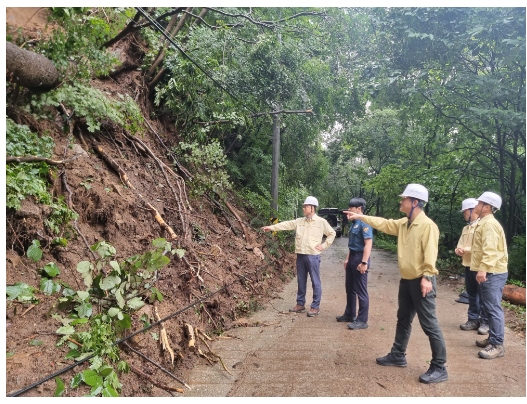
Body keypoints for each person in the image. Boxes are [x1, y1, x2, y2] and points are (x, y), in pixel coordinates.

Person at [344, 184, 447, 384]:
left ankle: (439, 366)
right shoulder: (404, 223)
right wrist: (360, 217)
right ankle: (398, 355)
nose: (401, 201)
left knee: (429, 324)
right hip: (407, 280)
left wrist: (427, 277)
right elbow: (384, 223)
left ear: (415, 202)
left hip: (421, 280)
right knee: (403, 319)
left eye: (404, 199)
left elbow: (431, 253)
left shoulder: (427, 226)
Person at [261, 196, 336, 317]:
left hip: (313, 256)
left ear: (312, 208)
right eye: (304, 206)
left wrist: (324, 245)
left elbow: (332, 233)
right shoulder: (300, 221)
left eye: (306, 206)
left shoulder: (321, 222)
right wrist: (271, 227)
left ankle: (315, 307)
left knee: (315, 282)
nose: (304, 208)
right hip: (301, 254)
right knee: (301, 280)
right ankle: (300, 304)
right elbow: (286, 224)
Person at [470, 192, 508, 359]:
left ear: (486, 207)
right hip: (491, 271)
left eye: (479, 203)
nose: (476, 206)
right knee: (488, 307)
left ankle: (497, 345)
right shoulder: (484, 223)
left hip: (493, 272)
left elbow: (490, 249)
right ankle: (493, 338)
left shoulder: (489, 225)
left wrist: (483, 269)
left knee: (493, 309)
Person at [336, 198, 373, 330]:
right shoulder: (354, 223)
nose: (349, 210)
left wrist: (364, 262)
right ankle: (350, 314)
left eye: (351, 208)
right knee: (350, 288)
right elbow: (353, 244)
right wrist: (347, 258)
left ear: (359, 209)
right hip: (352, 256)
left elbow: (368, 243)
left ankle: (362, 320)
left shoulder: (365, 222)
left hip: (360, 258)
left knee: (361, 290)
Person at [455, 198, 489, 334]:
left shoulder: (482, 226)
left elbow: (483, 248)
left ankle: (485, 322)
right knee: (471, 294)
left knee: (483, 295)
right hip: (468, 265)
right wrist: (458, 250)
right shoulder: (466, 228)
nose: (464, 214)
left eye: (465, 212)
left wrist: (466, 250)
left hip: (480, 266)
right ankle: (473, 319)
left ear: (471, 210)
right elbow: (460, 244)